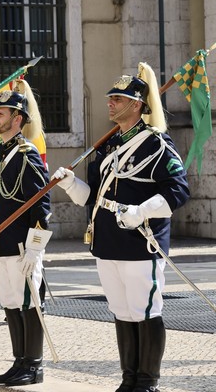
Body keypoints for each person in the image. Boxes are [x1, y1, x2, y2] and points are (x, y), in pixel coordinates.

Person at [53, 65, 189, 392]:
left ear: (138, 105)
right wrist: (72, 185)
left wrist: (142, 211)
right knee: (122, 311)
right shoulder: (107, 146)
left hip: (141, 243)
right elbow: (95, 198)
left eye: (119, 99)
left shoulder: (156, 144)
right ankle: (129, 379)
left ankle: (147, 382)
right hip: (108, 242)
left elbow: (179, 190)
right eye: (111, 98)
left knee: (145, 309)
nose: (111, 104)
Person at [0, 80, 52, 386]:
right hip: (4, 241)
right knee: (9, 301)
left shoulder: (27, 154)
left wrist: (36, 248)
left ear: (18, 119)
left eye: (2, 112)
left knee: (28, 301)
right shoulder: (0, 152)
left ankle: (34, 364)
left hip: (25, 244)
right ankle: (19, 360)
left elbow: (42, 207)